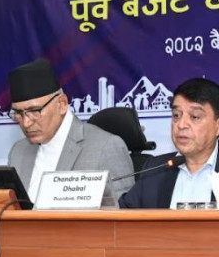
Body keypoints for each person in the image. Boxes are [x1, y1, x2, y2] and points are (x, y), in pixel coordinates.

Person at [7, 58, 134, 206]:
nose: (26, 123)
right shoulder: (18, 151)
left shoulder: (106, 147)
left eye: (35, 111)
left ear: (62, 104)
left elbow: (124, 213)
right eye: (18, 113)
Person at [120, 77, 219, 209]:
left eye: (195, 117)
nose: (181, 124)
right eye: (176, 115)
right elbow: (121, 215)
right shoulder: (155, 169)